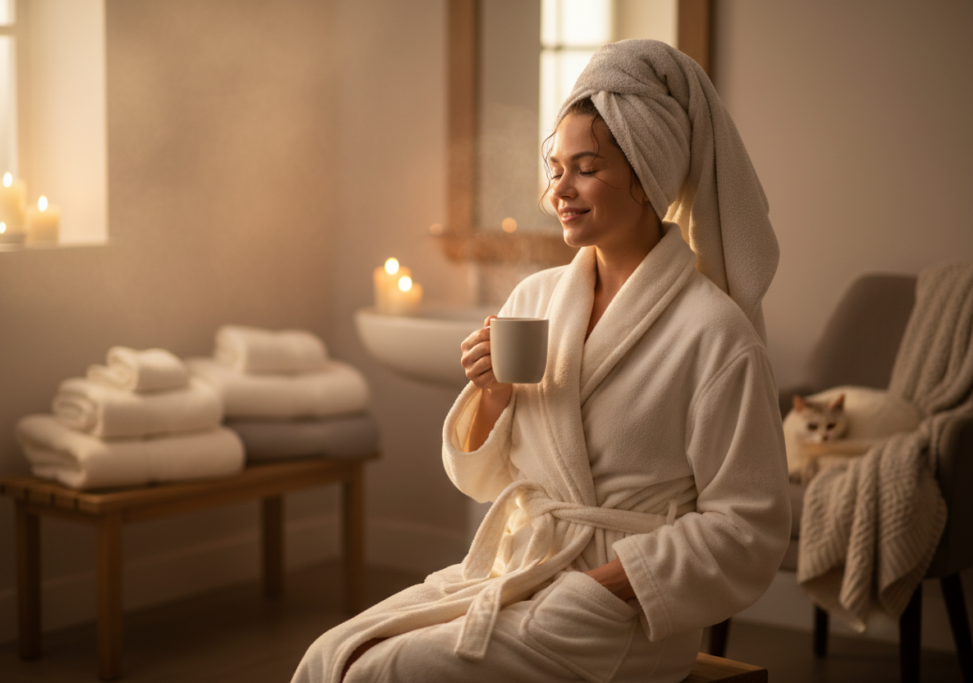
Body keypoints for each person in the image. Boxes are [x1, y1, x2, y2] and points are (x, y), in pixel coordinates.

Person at [292, 39, 791, 683]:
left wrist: (607, 587)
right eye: (554, 167)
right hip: (517, 567)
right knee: (331, 655)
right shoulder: (536, 299)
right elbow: (482, 480)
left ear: (649, 177)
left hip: (617, 617)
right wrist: (492, 397)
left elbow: (748, 529)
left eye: (586, 167)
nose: (561, 188)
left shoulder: (713, 333)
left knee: (376, 675)